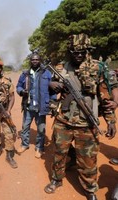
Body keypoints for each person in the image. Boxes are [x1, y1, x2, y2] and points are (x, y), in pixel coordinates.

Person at [44, 33, 116, 200]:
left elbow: (105, 97)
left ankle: (90, 188)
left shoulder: (98, 68)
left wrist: (111, 121)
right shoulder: (62, 68)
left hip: (86, 122)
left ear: (88, 51)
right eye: (75, 52)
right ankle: (56, 179)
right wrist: (51, 84)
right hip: (64, 120)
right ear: (70, 51)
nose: (78, 55)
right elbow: (52, 86)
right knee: (59, 153)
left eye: (82, 52)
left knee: (88, 159)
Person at [16, 52, 55, 159]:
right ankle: (24, 144)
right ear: (30, 61)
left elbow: (52, 89)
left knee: (41, 129)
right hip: (28, 107)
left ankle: (39, 148)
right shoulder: (25, 74)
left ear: (40, 60)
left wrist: (53, 103)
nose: (35, 61)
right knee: (25, 127)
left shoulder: (47, 73)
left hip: (41, 107)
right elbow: (18, 86)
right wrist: (21, 91)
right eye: (33, 59)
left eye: (37, 59)